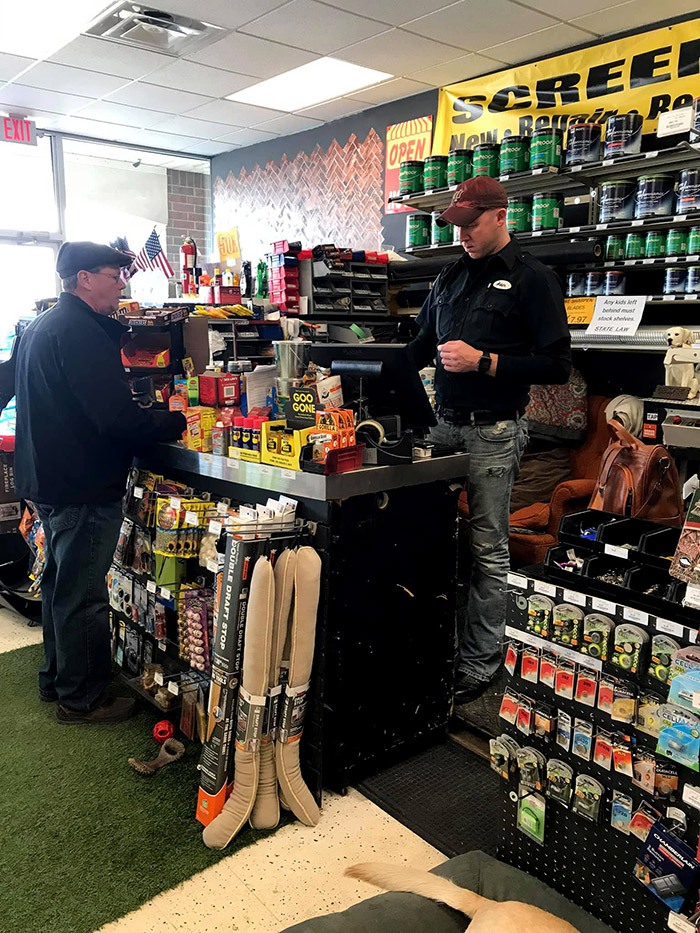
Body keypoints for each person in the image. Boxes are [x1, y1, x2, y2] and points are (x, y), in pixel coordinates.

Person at [410, 176, 571, 704]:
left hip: (494, 430)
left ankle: (480, 662)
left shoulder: (533, 280)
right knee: (423, 534)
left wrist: (486, 361)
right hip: (442, 424)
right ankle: (433, 646)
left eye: (471, 225)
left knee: (486, 548)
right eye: (456, 227)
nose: (463, 237)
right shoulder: (450, 278)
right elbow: (416, 349)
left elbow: (557, 365)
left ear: (501, 216)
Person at [14, 241, 187, 724]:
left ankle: (57, 679)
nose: (121, 283)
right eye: (114, 274)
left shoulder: (46, 325)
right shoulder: (80, 332)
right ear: (85, 278)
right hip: (82, 483)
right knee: (83, 593)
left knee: (58, 584)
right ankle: (83, 698)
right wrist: (173, 422)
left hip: (50, 478)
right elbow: (113, 418)